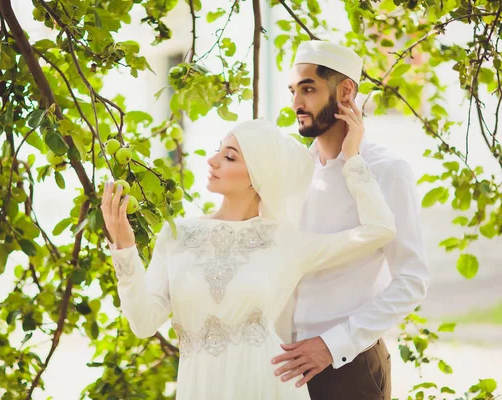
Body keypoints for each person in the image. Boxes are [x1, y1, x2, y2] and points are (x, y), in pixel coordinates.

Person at [102, 111, 395, 398]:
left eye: (229, 157)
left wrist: (352, 158)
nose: (212, 160)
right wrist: (125, 249)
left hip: (265, 386)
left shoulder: (285, 242)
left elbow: (378, 230)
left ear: (258, 176)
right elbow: (143, 323)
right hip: (200, 387)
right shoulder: (177, 234)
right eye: (218, 150)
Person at [271, 41, 430, 400]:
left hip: (349, 367)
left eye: (309, 89)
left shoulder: (387, 170)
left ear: (345, 92)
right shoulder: (291, 170)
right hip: (282, 367)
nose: (297, 103)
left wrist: (332, 344)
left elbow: (411, 280)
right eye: (293, 90)